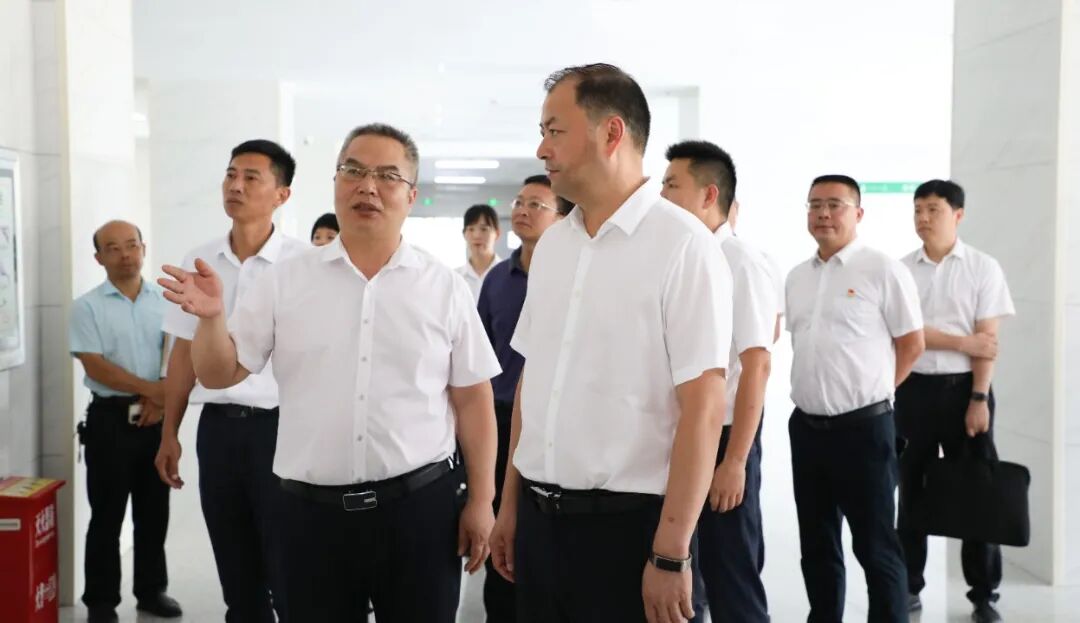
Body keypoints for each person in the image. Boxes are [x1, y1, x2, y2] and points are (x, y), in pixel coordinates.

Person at [159, 123, 501, 623]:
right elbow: (219, 372)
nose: (368, 186)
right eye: (353, 171)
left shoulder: (443, 287)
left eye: (387, 176)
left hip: (420, 510)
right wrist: (211, 319)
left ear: (411, 195)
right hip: (309, 516)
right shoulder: (287, 279)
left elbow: (473, 399)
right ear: (335, 182)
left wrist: (482, 500)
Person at [488, 63, 733, 623]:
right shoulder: (555, 246)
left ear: (611, 132)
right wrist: (510, 505)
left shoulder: (683, 246)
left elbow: (703, 406)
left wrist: (671, 551)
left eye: (555, 131)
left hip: (628, 529)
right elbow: (533, 384)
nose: (542, 149)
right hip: (539, 521)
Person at [154, 139, 308, 622]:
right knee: (236, 567)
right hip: (218, 430)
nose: (235, 186)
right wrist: (169, 433)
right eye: (230, 174)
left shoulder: (303, 264)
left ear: (282, 194)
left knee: (290, 567)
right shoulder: (200, 260)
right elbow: (182, 356)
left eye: (251, 177)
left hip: (283, 430)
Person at [786, 174, 925, 622]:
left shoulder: (883, 270)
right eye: (814, 205)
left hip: (864, 429)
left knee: (876, 546)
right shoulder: (797, 276)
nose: (823, 214)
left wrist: (879, 391)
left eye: (835, 204)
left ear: (858, 213)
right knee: (817, 544)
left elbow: (912, 344)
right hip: (807, 428)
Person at [661, 140, 774, 623]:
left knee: (732, 572)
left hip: (725, 437)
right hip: (685, 433)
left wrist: (735, 462)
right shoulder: (685, 256)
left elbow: (758, 365)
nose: (661, 195)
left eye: (672, 184)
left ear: (709, 195)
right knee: (687, 569)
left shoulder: (740, 261)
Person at [896, 179, 1015, 623]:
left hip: (967, 391)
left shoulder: (983, 268)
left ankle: (983, 595)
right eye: (917, 209)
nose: (923, 218)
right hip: (912, 391)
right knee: (911, 491)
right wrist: (963, 342)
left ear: (957, 215)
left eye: (933, 209)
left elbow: (989, 343)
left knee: (977, 491)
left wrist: (979, 398)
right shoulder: (901, 270)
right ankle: (908, 587)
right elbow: (909, 334)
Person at [70, 221, 181, 623]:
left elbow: (178, 354)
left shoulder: (166, 301)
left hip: (157, 420)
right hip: (109, 420)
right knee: (106, 514)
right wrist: (153, 390)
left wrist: (162, 401)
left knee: (154, 511)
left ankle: (152, 592)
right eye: (113, 248)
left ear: (144, 249)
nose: (125, 255)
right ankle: (101, 602)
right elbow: (95, 365)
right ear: (99, 257)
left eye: (132, 245)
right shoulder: (87, 307)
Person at [474, 174, 570, 622]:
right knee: (500, 523)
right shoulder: (497, 279)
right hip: (499, 417)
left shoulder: (570, 276)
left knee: (544, 534)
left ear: (561, 218)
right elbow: (478, 354)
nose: (522, 210)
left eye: (537, 204)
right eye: (519, 201)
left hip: (551, 422)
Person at [456, 204, 502, 302]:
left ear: (497, 234)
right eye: (471, 229)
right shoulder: (455, 277)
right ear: (464, 234)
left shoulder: (508, 276)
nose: (476, 235)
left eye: (484, 229)